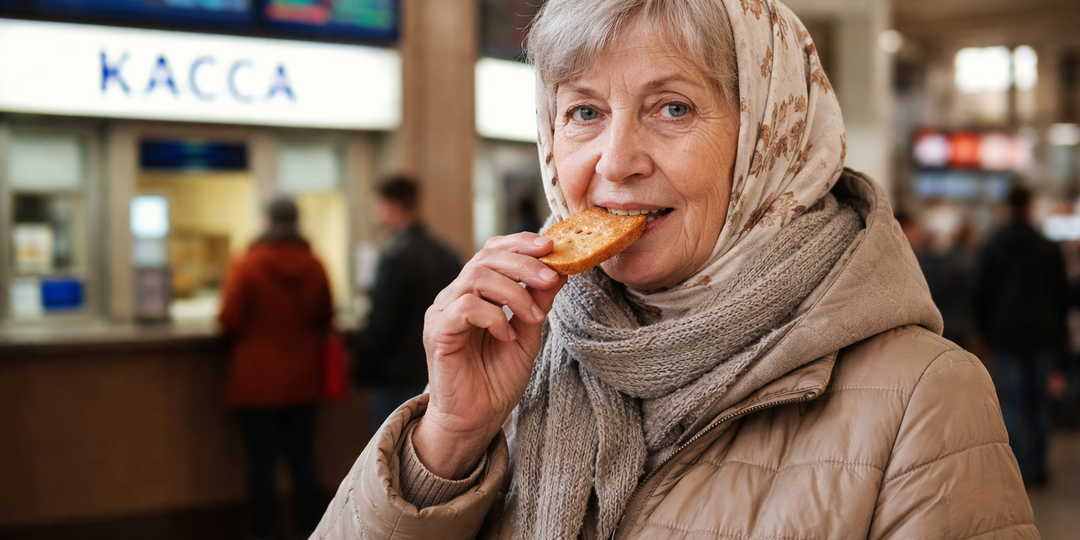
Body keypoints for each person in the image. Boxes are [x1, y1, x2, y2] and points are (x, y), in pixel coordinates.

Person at [315, 1, 1036, 538]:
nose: (616, 159)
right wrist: (445, 441)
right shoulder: (516, 351)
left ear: (764, 143)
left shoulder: (924, 398)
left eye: (672, 107)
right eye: (584, 112)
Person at [218, 196, 333, 540]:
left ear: (266, 221)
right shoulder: (314, 264)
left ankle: (264, 531)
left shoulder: (248, 264)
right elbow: (325, 318)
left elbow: (229, 319)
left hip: (257, 381)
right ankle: (313, 530)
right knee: (303, 460)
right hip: (302, 379)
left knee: (261, 464)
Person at [974, 186, 1069, 486]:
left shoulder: (993, 246)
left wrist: (986, 331)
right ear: (1030, 207)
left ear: (1006, 207)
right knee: (1040, 401)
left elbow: (980, 293)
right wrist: (1059, 335)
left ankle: (1015, 471)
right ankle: (1039, 467)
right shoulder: (1047, 247)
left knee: (1012, 402)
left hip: (1006, 335)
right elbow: (1061, 294)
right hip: (1042, 334)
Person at [351, 176, 461, 435]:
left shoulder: (396, 257)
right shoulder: (446, 253)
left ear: (393, 206)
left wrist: (361, 367)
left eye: (377, 206)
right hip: (439, 373)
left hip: (396, 377)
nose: (375, 214)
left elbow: (382, 324)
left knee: (389, 462)